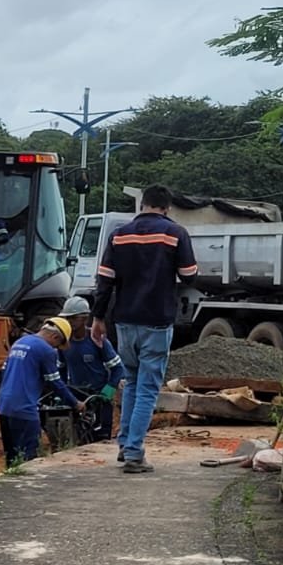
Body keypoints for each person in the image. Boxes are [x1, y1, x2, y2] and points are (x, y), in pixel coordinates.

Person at [91, 184, 198, 474]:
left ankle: (125, 444)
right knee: (148, 389)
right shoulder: (175, 233)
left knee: (132, 382)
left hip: (124, 320)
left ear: (143, 205)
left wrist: (97, 319)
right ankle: (135, 453)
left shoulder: (118, 235)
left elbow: (104, 282)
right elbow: (189, 275)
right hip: (157, 320)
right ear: (167, 207)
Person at [0, 317, 80, 467]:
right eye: (58, 344)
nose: (57, 348)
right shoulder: (46, 350)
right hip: (24, 408)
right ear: (55, 337)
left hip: (4, 405)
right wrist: (75, 403)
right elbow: (55, 383)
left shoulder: (19, 343)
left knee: (11, 457)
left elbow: (5, 372)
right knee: (29, 459)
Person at [58, 296, 126, 441]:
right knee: (79, 438)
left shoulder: (96, 340)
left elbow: (118, 368)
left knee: (100, 438)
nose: (69, 322)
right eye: (67, 319)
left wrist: (109, 390)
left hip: (98, 397)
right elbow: (61, 370)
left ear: (84, 318)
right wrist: (63, 393)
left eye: (72, 318)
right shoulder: (64, 343)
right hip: (77, 397)